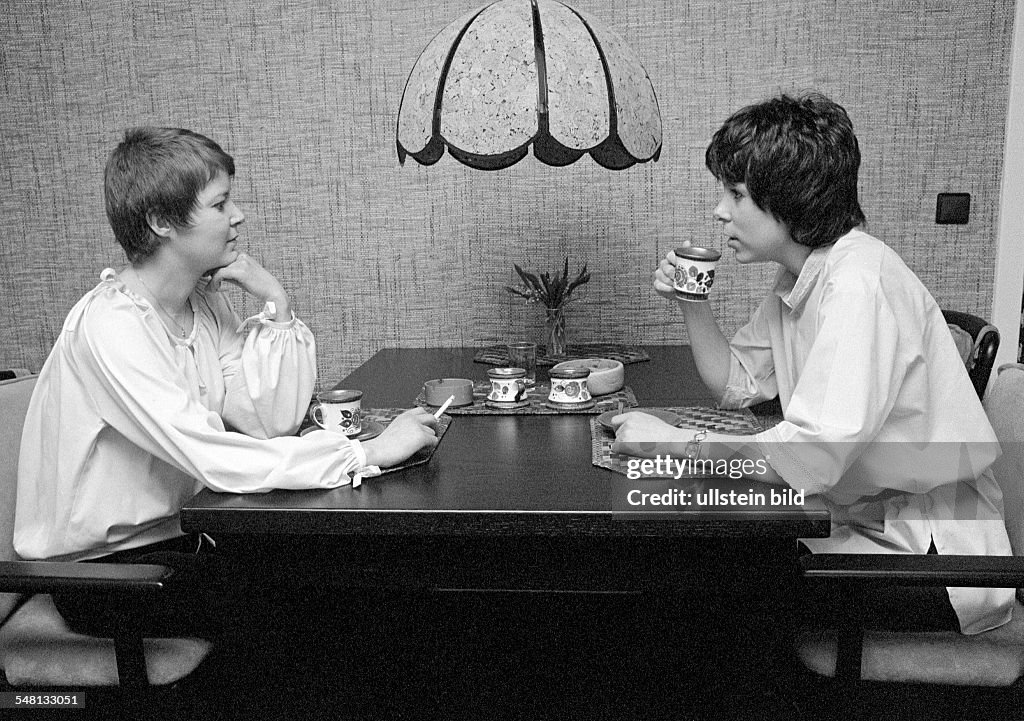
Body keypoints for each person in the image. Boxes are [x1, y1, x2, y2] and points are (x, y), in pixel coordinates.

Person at [612, 93, 1014, 635]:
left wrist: (670, 446)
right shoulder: (801, 278)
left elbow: (813, 456)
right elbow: (738, 385)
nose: (719, 211)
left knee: (692, 577)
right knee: (689, 559)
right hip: (862, 528)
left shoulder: (858, 282)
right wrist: (692, 305)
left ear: (789, 199)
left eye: (736, 194)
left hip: (931, 559)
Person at [15, 127, 439, 637]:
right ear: (160, 221)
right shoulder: (112, 326)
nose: (237, 216)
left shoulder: (200, 302)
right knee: (330, 598)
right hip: (108, 577)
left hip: (183, 543)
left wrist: (275, 301)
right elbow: (213, 456)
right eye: (219, 204)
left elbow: (267, 422)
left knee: (361, 573)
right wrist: (366, 455)